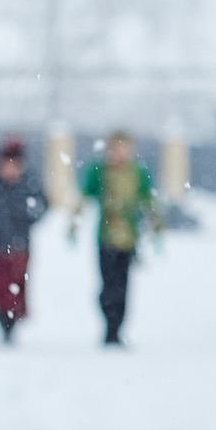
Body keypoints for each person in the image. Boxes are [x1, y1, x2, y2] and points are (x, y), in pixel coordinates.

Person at [73, 130, 160, 346]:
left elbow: (148, 200)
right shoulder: (99, 171)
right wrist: (73, 224)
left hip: (129, 239)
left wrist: (156, 226)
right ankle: (108, 322)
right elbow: (84, 196)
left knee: (122, 286)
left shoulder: (137, 173)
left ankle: (115, 329)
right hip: (106, 237)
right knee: (107, 285)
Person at [0, 139, 51, 344]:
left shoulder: (29, 183)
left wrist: (27, 218)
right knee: (1, 285)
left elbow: (43, 206)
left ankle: (13, 320)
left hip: (21, 245)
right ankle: (2, 320)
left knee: (17, 283)